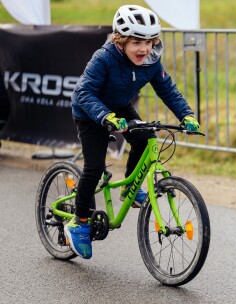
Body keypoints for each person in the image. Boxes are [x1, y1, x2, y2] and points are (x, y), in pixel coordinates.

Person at [65, 4, 200, 259]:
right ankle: (79, 222)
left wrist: (187, 115)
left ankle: (130, 188)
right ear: (121, 40)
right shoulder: (104, 58)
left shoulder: (150, 61)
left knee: (146, 138)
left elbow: (167, 89)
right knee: (94, 169)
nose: (144, 49)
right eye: (137, 42)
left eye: (149, 42)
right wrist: (106, 116)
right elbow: (84, 92)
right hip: (90, 111)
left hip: (119, 107)